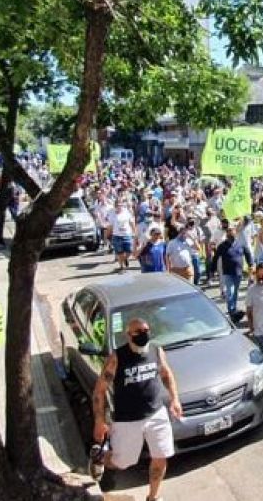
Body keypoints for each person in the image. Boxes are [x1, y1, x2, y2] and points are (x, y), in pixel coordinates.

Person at [90, 318, 182, 501]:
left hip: (156, 414)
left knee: (161, 456)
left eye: (146, 330)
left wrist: (175, 399)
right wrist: (99, 421)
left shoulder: (156, 351)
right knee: (122, 462)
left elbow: (166, 374)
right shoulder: (117, 358)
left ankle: (153, 497)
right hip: (127, 420)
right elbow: (99, 391)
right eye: (138, 332)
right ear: (129, 335)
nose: (143, 334)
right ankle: (100, 457)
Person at [212, 225, 246, 321]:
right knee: (230, 292)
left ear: (236, 233)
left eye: (233, 231)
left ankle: (234, 308)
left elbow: (247, 254)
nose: (232, 234)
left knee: (235, 292)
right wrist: (212, 269)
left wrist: (251, 264)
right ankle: (231, 311)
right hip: (227, 272)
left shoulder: (240, 244)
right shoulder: (222, 246)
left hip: (238, 272)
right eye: (229, 232)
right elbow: (216, 258)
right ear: (227, 234)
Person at [109, 201, 137, 273]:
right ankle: (122, 267)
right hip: (117, 235)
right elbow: (111, 226)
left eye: (121, 205)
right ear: (115, 206)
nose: (119, 207)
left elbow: (131, 223)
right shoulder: (112, 214)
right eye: (118, 205)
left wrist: (135, 232)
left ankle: (124, 259)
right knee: (119, 252)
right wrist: (110, 235)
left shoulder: (127, 213)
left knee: (130, 250)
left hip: (127, 235)